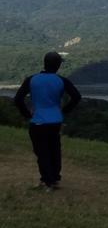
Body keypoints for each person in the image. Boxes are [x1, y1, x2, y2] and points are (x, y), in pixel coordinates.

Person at [13, 51, 82, 191]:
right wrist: (64, 111)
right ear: (57, 66)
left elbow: (18, 99)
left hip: (38, 121)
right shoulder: (61, 80)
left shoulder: (32, 79)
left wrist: (27, 115)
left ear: (45, 63)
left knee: (42, 151)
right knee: (54, 149)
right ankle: (54, 179)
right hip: (56, 121)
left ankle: (47, 181)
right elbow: (76, 97)